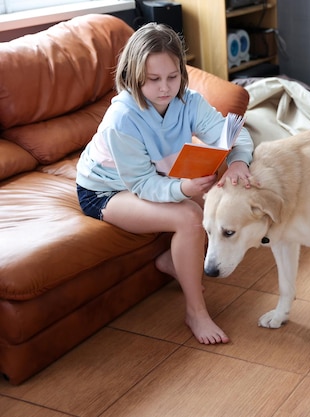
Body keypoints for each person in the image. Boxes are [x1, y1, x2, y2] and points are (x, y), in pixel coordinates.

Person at [75, 23, 254, 345]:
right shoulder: (122, 119)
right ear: (133, 75)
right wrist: (183, 190)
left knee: (217, 202)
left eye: (173, 77)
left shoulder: (190, 101)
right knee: (188, 216)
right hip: (106, 190)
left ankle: (172, 261)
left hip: (153, 178)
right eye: (153, 79)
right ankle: (196, 313)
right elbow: (141, 183)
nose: (165, 88)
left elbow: (233, 132)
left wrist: (239, 160)